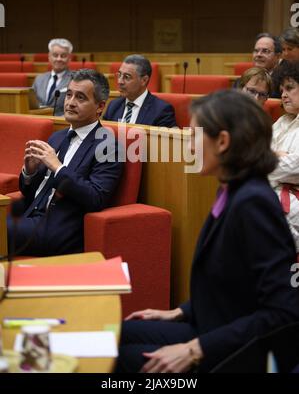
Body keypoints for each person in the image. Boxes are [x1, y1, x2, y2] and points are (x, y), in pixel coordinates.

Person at [115, 90, 299, 373]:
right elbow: (232, 286)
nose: (189, 146)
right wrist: (180, 311)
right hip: (211, 326)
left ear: (223, 142)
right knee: (115, 335)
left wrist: (194, 349)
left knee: (115, 361)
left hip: (235, 353)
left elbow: (282, 312)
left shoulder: (253, 203)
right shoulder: (232, 187)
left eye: (194, 136)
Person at [7, 69, 123, 256]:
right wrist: (29, 173)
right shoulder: (57, 137)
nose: (70, 103)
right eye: (69, 95)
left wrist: (58, 168)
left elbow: (96, 198)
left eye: (80, 98)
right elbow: (31, 193)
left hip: (59, 230)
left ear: (100, 107)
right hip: (30, 217)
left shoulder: (108, 146)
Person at [269, 61, 299, 254]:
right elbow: (255, 154)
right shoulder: (281, 122)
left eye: (290, 88)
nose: (284, 95)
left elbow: (294, 168)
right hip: (272, 193)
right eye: (282, 90)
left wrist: (265, 159)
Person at [102, 54, 177, 127]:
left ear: (144, 80)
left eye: (127, 77)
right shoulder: (113, 105)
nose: (120, 81)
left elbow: (166, 139)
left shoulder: (161, 110)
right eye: (119, 75)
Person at [33, 38, 73, 116]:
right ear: (49, 57)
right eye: (55, 55)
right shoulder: (39, 79)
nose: (59, 59)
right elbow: (31, 104)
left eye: (63, 56)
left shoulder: (75, 79)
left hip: (62, 123)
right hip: (38, 121)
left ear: (69, 58)